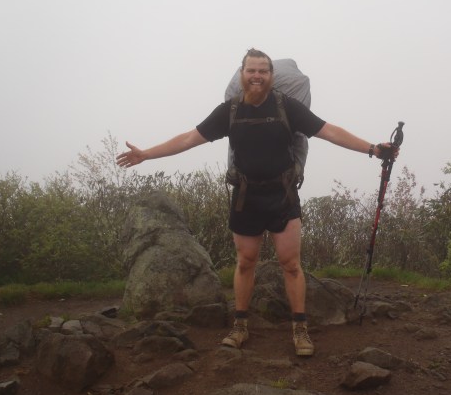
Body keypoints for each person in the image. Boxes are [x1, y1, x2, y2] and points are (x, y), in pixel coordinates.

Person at [116, 48, 398, 357]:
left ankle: (300, 329)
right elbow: (188, 139)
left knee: (291, 264)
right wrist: (146, 154)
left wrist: (372, 149)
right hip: (246, 196)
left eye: (263, 71)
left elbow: (328, 131)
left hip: (282, 194)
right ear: (242, 74)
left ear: (271, 76)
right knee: (246, 262)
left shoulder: (287, 107)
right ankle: (240, 326)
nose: (257, 76)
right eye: (252, 70)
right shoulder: (230, 111)